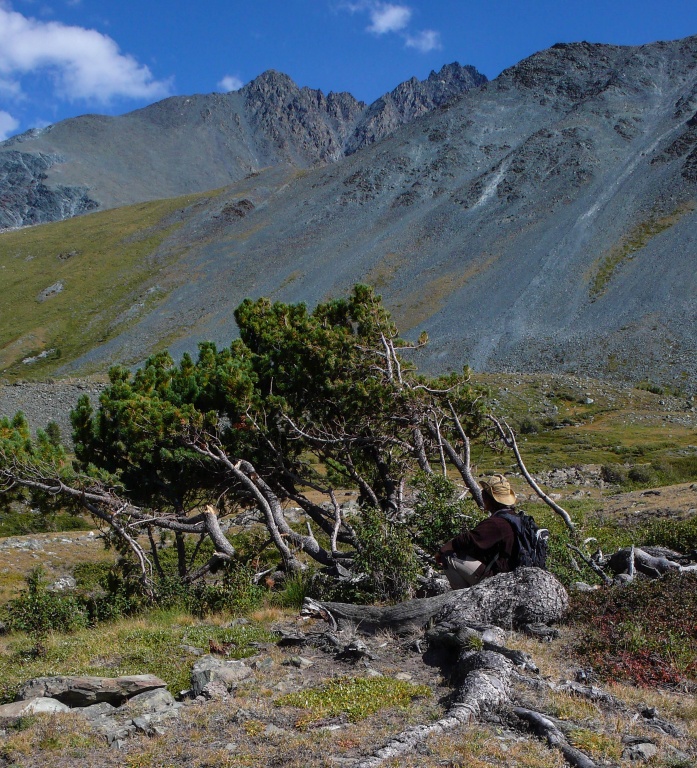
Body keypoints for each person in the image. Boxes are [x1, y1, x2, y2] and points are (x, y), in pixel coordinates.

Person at [436, 473, 520, 589]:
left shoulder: (497, 523)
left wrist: (442, 551)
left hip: (498, 579)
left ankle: (461, 599)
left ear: (488, 499)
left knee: (449, 557)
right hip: (515, 576)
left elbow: (467, 540)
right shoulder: (515, 518)